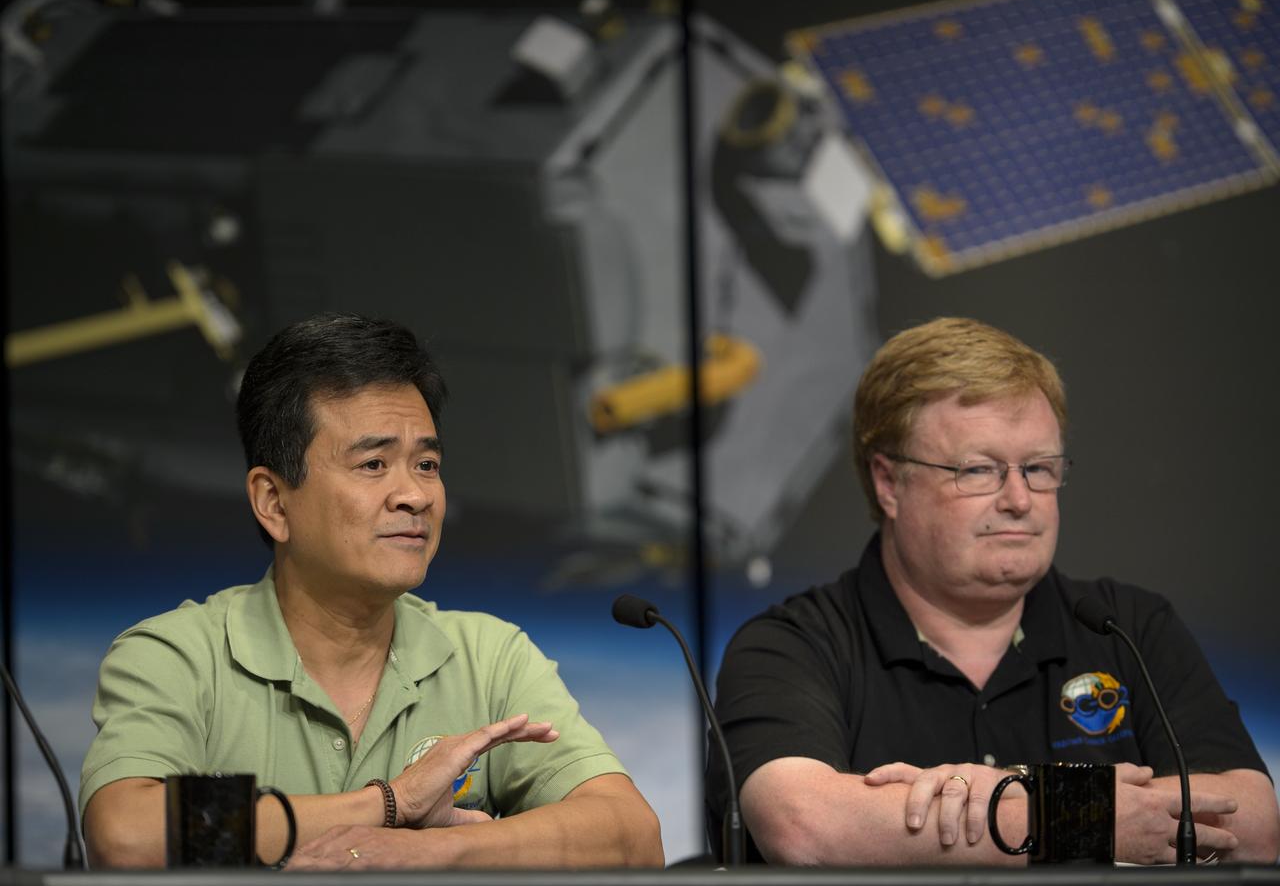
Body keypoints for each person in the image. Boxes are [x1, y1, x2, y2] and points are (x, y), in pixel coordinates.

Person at [80, 313, 663, 870]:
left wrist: (426, 854)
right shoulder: (176, 655)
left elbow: (633, 838)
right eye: (373, 464)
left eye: (427, 464)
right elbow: (127, 837)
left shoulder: (489, 657)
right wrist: (390, 805)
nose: (414, 495)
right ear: (273, 503)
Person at [707, 316, 1280, 865]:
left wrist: (1009, 796)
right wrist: (1079, 815)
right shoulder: (791, 647)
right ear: (889, 482)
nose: (1020, 499)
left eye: (1039, 468)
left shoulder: (1129, 627)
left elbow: (1254, 826)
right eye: (979, 470)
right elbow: (805, 826)